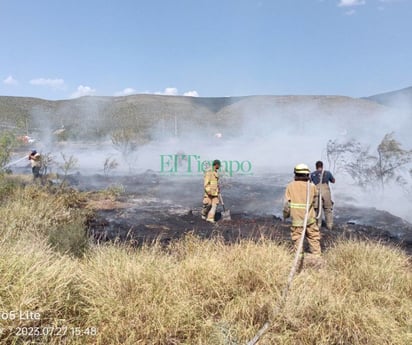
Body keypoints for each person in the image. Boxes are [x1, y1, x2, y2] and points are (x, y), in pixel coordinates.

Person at [283, 163, 321, 256]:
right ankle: (317, 257)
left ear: (295, 174)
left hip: (297, 219)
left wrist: (285, 215)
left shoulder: (290, 186)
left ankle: (299, 257)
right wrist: (315, 214)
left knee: (298, 238)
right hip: (310, 218)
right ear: (307, 175)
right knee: (313, 237)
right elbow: (316, 203)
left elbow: (286, 204)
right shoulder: (312, 186)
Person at [310, 161, 335, 230]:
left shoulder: (312, 174)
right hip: (326, 192)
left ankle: (318, 225)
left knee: (318, 209)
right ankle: (329, 225)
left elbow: (309, 183)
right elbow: (333, 181)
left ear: (316, 166)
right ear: (322, 166)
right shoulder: (327, 173)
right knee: (328, 209)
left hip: (317, 192)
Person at [202, 159, 221, 223]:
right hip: (209, 193)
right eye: (219, 165)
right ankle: (204, 213)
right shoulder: (209, 172)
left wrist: (218, 188)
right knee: (208, 204)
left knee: (215, 205)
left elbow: (215, 183)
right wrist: (209, 192)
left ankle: (210, 218)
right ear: (216, 165)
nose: (219, 167)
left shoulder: (216, 173)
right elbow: (206, 184)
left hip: (215, 193)